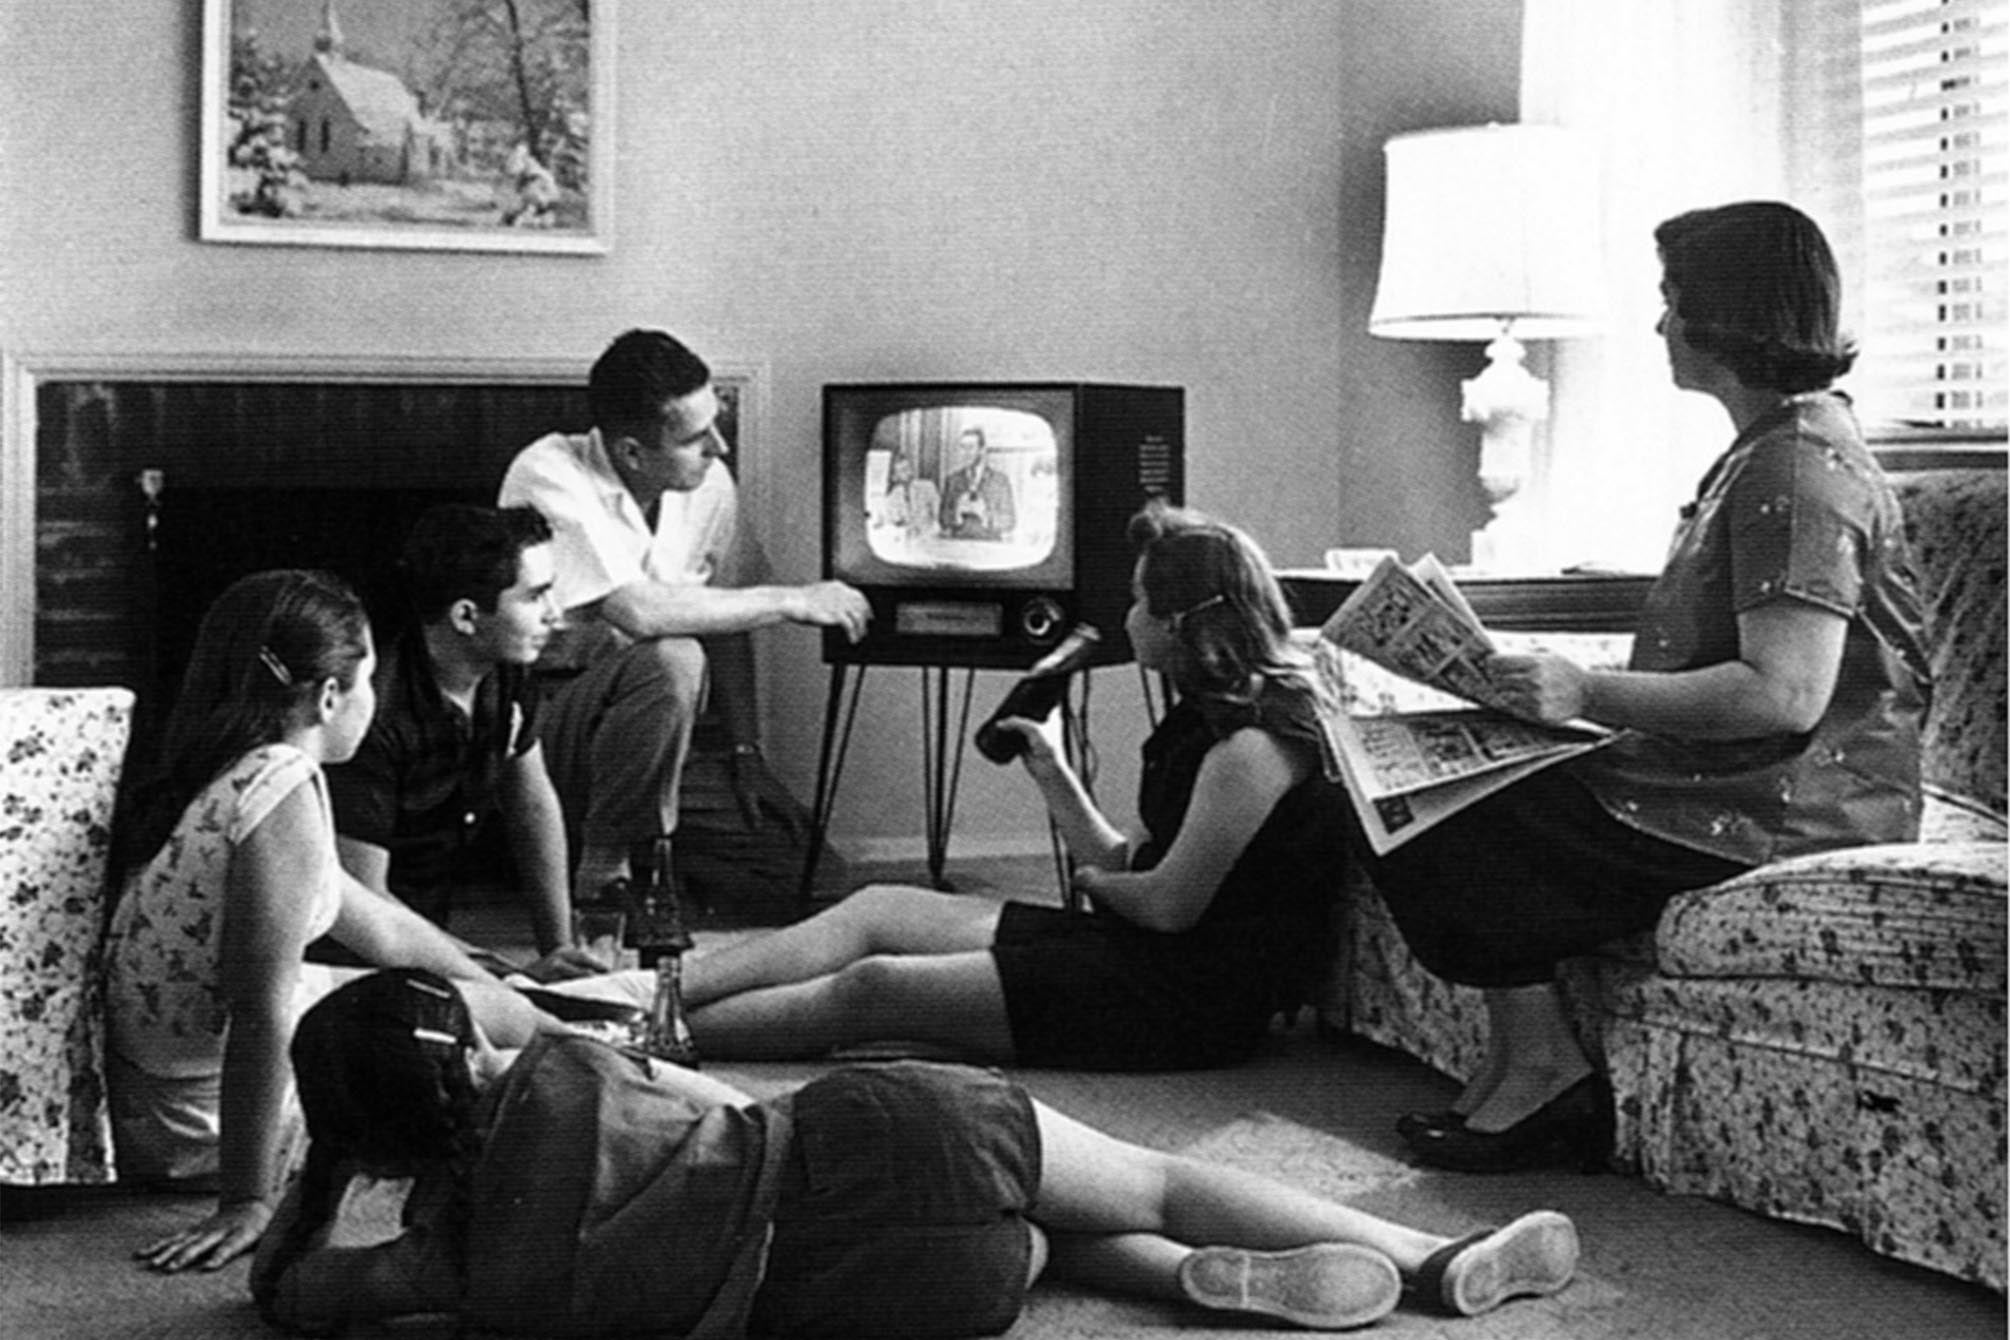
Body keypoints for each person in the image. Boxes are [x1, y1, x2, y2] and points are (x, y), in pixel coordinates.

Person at [1365, 201, 1929, 1173]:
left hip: (1786, 805)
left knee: (1445, 812)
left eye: (1672, 301)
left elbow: (1784, 695)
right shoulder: (1769, 449)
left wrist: (1583, 690)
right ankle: (1520, 1059)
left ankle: (1544, 1072)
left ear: (1726, 313)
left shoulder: (1799, 467)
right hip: (1724, 778)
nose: (1660, 324)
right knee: (1416, 786)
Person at [251, 969, 1582, 1335]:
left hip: (883, 1300)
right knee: (1153, 1169)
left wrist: (320, 1175)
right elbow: (537, 1022)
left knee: (1042, 1248)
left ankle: (1181, 1283)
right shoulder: (564, 1065)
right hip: (882, 1142)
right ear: (470, 1049)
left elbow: (292, 1297)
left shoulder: (454, 1269)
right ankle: (1423, 1253)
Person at [626, 500, 1351, 1071]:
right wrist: (1053, 771)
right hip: (1139, 952)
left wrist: (1094, 890)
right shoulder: (1205, 720)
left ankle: (641, 1041)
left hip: (1184, 1004)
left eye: (1138, 602)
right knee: (878, 908)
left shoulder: (1251, 749)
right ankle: (643, 997)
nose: (1126, 617)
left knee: (875, 986)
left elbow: (1162, 906)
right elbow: (1132, 868)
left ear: (1181, 623)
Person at [102, 570, 563, 1274]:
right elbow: (260, 1011)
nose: (374, 701)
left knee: (498, 1010)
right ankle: (612, 1061)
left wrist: (512, 990)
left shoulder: (237, 768)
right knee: (475, 1057)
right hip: (197, 1119)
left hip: (161, 1093)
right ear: (326, 698)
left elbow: (379, 926)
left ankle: (588, 1030)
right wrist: (247, 1200)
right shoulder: (282, 785)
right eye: (368, 679)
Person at [497, 328, 872, 899]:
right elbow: (638, 613)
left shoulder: (708, 480)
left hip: (662, 742)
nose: (719, 446)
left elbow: (727, 616)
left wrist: (745, 749)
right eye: (697, 437)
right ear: (630, 452)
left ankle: (635, 844)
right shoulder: (546, 474)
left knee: (814, 880)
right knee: (673, 655)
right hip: (548, 731)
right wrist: (794, 599)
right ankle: (604, 864)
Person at [324, 504, 600, 980]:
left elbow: (532, 804)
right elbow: (366, 904)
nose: (555, 616)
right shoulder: (376, 714)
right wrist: (502, 975)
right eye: (536, 597)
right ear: (467, 616)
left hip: (435, 942)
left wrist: (559, 949)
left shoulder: (506, 674)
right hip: (356, 959)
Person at [938, 425, 1017, 539]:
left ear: (982, 450)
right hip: (957, 547)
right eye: (963, 447)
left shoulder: (1000, 481)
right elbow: (942, 518)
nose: (966, 453)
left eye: (970, 447)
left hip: (989, 548)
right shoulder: (952, 480)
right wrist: (956, 514)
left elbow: (1010, 521)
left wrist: (985, 515)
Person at [881, 450, 941, 540]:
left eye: (908, 468)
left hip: (929, 539)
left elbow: (939, 518)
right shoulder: (893, 497)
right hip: (905, 541)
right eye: (903, 471)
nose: (908, 473)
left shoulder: (928, 487)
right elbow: (892, 523)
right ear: (894, 476)